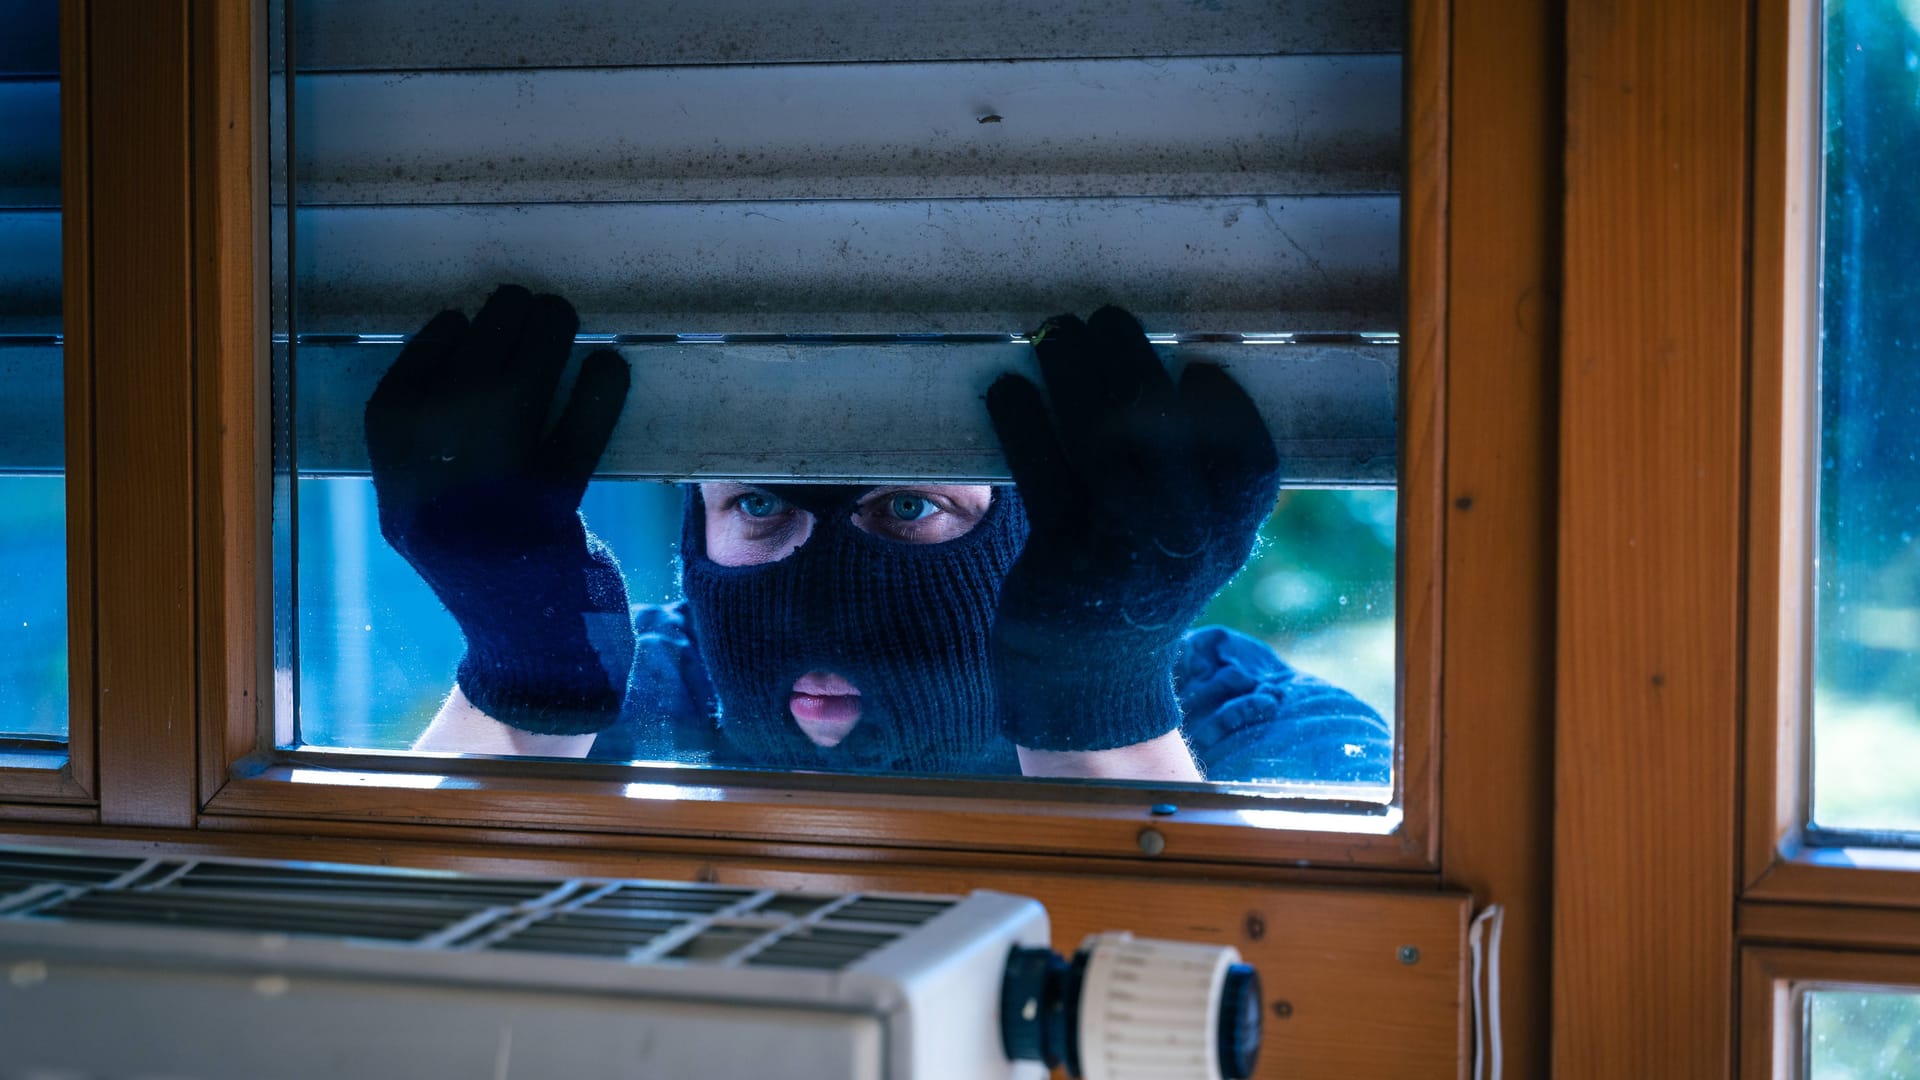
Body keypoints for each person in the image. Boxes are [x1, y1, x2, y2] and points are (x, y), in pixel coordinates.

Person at [366, 285, 1390, 783]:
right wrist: (522, 685)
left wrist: (1098, 699)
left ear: (1035, 522)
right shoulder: (634, 691)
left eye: (906, 506)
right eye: (760, 504)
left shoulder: (1256, 733)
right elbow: (373, 971)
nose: (823, 589)